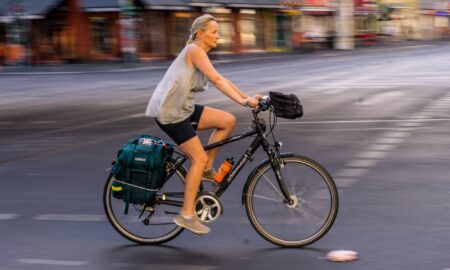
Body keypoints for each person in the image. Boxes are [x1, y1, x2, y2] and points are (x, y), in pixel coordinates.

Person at [145, 14, 261, 235]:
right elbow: (217, 81)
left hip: (183, 109)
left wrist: (248, 99)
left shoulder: (200, 53)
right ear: (201, 34)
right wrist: (244, 101)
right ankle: (187, 215)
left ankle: (207, 169)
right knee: (197, 157)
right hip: (171, 113)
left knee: (227, 120)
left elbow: (222, 78)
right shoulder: (194, 50)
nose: (218, 35)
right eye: (215, 31)